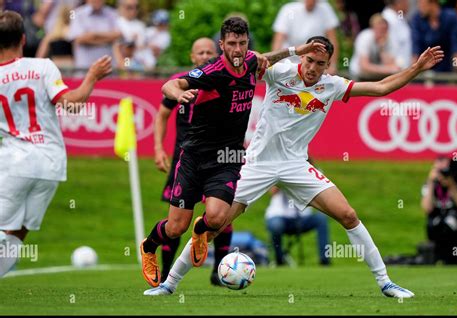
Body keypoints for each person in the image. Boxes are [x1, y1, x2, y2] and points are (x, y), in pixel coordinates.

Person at [150, 36, 444, 298]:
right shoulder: (279, 74)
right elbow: (254, 60)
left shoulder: (332, 86)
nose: (314, 68)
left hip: (295, 165)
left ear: (328, 65)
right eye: (309, 60)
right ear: (302, 57)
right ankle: (169, 284)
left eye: (321, 63)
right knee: (213, 226)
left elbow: (381, 87)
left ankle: (386, 282)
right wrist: (289, 51)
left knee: (348, 214)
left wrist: (416, 68)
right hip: (257, 165)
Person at [139, 16, 327, 289]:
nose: (237, 49)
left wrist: (300, 50)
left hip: (228, 157)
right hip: (193, 157)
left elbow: (266, 57)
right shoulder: (210, 72)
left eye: (241, 43)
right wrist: (179, 95)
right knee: (176, 227)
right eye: (231, 44)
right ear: (222, 45)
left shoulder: (250, 61)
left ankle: (203, 231)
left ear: (246, 43)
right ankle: (149, 244)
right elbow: (171, 85)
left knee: (217, 217)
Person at [0, 10, 112, 277]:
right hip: (50, 165)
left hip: (15, 163)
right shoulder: (42, 67)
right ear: (24, 39)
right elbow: (72, 105)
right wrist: (92, 76)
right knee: (18, 230)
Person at [154, 37, 233, 285]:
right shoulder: (181, 82)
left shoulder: (224, 80)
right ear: (192, 57)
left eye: (209, 51)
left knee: (222, 215)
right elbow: (161, 115)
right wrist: (158, 148)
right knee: (176, 223)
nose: (204, 55)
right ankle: (166, 270)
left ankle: (218, 272)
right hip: (184, 160)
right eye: (200, 52)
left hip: (217, 158)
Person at [265, 187, 330, 266]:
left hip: (302, 217)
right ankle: (279, 260)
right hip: (280, 215)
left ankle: (325, 261)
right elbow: (273, 191)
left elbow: (316, 191)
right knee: (276, 225)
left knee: (321, 219)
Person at [272, 0, 340, 74]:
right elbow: (278, 40)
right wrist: (276, 63)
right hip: (290, 62)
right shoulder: (288, 9)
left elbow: (332, 39)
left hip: (315, 62)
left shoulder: (325, 8)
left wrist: (333, 65)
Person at [67, 0, 122, 73]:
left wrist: (93, 35)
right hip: (85, 70)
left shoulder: (113, 13)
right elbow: (79, 39)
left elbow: (118, 35)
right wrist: (108, 39)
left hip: (108, 72)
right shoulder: (77, 13)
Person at [349, 14, 401, 80]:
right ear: (373, 27)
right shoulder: (365, 37)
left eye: (385, 28)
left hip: (376, 76)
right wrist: (386, 69)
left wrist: (382, 48)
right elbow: (364, 66)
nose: (382, 30)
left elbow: (391, 65)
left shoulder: (389, 40)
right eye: (379, 26)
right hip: (358, 75)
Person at [382, 0, 412, 69]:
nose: (408, 4)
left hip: (403, 68)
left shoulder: (399, 16)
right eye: (406, 1)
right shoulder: (387, 19)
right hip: (395, 69)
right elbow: (389, 47)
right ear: (398, 2)